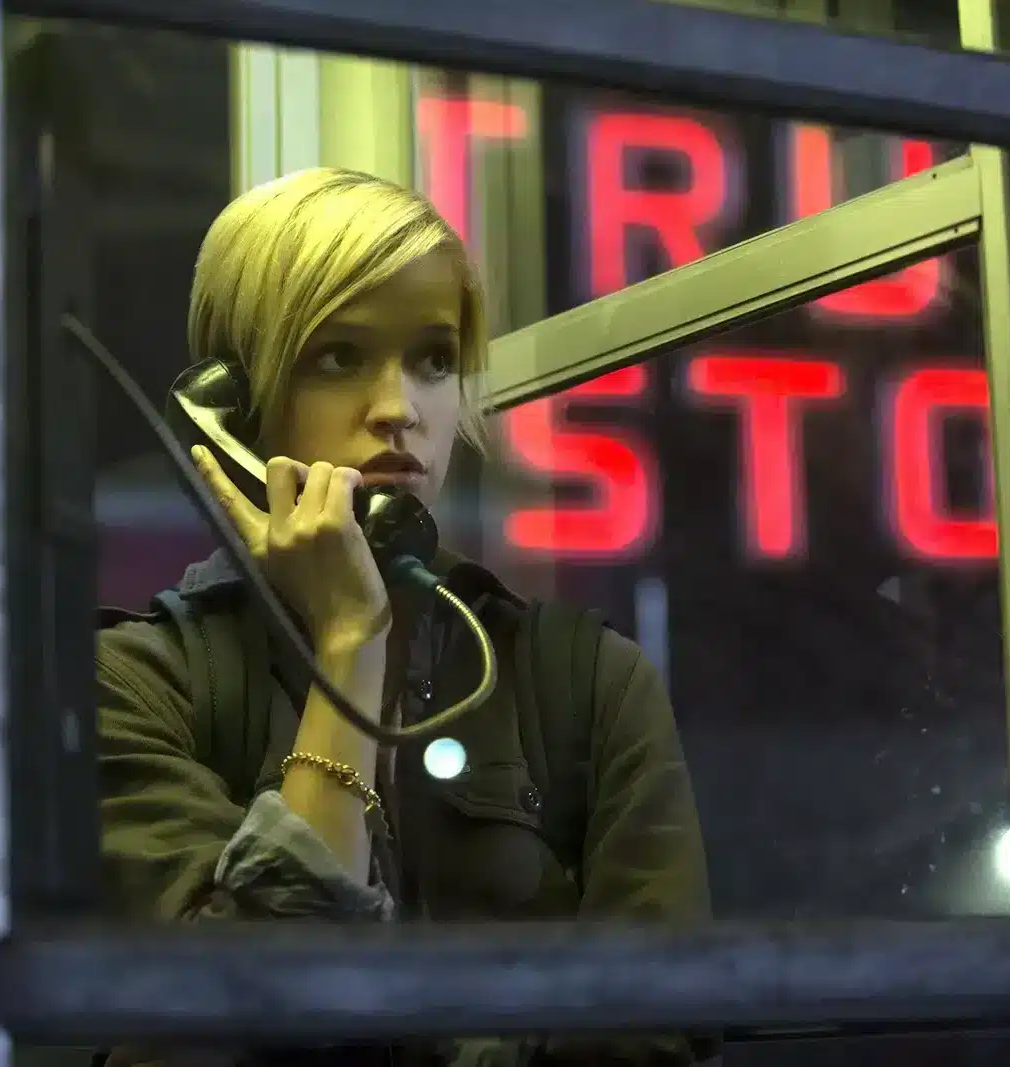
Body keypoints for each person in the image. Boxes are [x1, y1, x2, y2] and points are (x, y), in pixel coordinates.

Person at [94, 167, 718, 1066]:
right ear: (231, 403)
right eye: (339, 357)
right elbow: (217, 1031)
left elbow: (656, 1035)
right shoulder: (141, 687)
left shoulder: (582, 682)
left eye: (433, 360)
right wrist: (351, 642)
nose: (400, 410)